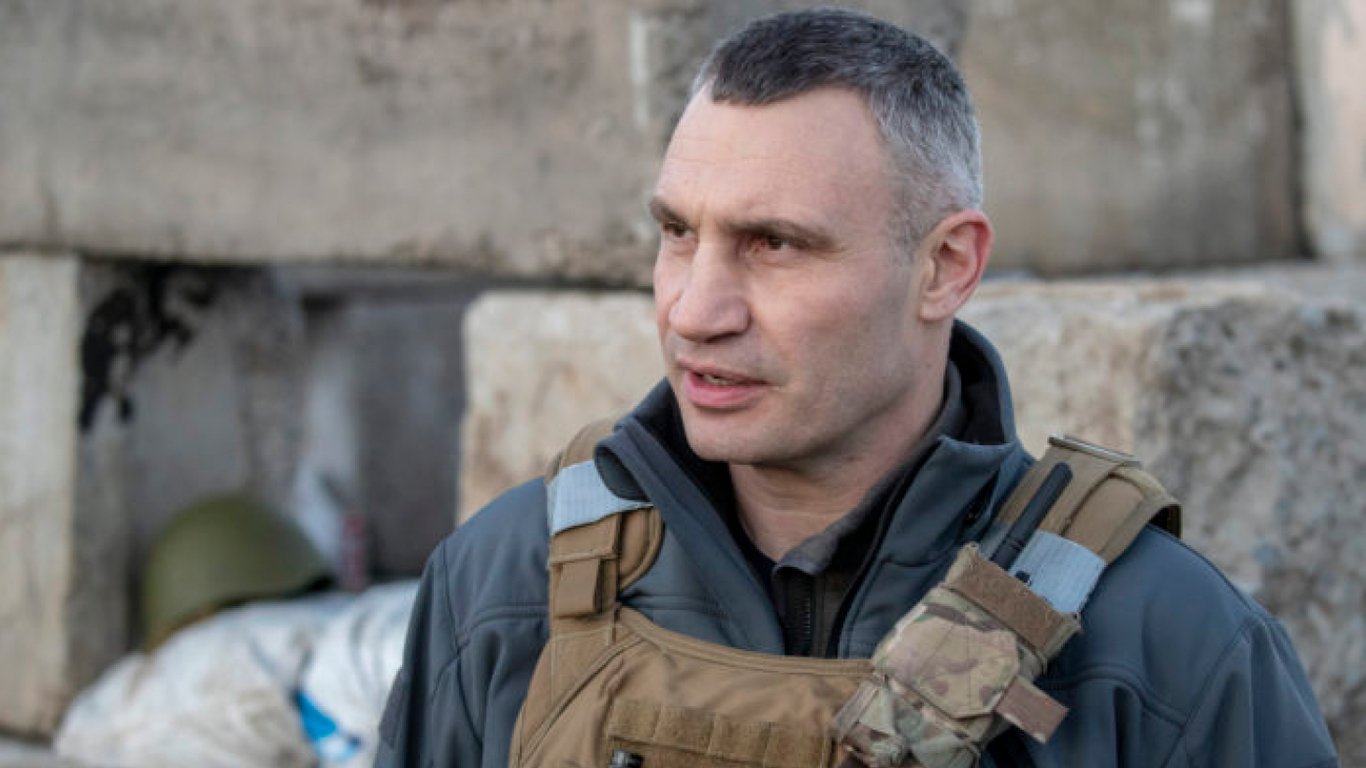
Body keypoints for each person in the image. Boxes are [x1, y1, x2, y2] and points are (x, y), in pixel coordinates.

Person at [375, 9, 1338, 767]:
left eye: (774, 243)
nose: (695, 310)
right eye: (677, 233)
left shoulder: (1161, 640)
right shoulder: (504, 582)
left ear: (945, 267)